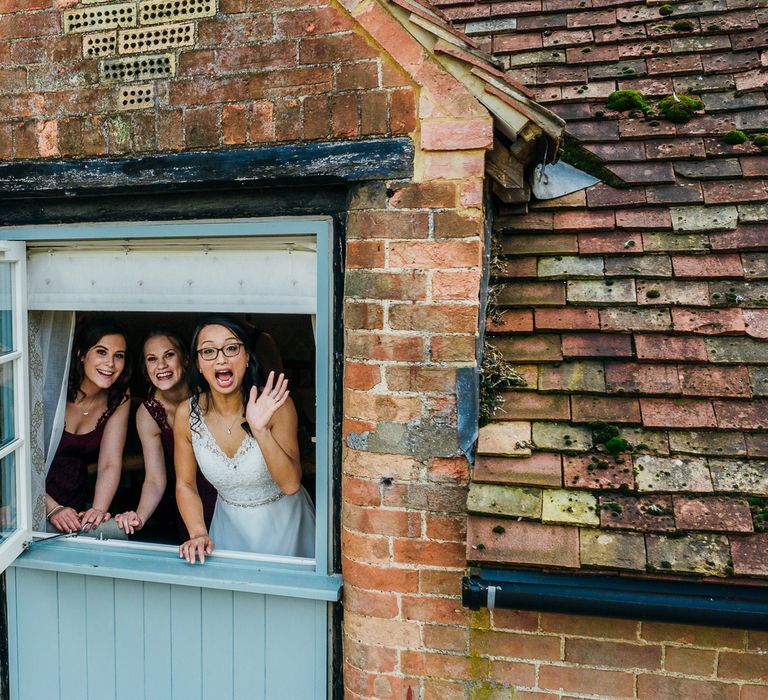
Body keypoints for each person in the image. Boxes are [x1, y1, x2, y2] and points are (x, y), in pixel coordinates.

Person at [175, 316, 315, 564]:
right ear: (197, 363)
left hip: (286, 526)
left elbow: (291, 484)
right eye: (208, 351)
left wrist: (260, 430)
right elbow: (185, 484)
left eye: (231, 348)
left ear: (247, 356)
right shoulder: (187, 413)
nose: (221, 358)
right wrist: (198, 532)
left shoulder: (276, 405)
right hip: (228, 528)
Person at [114, 330, 216, 539]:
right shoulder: (148, 413)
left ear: (186, 359)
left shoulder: (213, 392)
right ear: (145, 367)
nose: (161, 366)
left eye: (169, 355)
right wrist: (140, 516)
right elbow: (154, 478)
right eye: (152, 359)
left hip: (229, 498)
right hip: (190, 501)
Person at [44, 319, 131, 535]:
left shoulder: (119, 396)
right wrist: (52, 508)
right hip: (29, 500)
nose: (110, 363)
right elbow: (21, 462)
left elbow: (110, 462)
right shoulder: (50, 389)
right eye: (101, 352)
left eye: (118, 355)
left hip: (75, 503)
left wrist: (98, 510)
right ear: (81, 354)